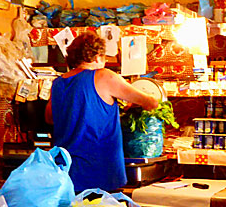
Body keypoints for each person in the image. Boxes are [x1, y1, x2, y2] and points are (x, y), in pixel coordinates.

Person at [47, 31, 159, 192]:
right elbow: (151, 102)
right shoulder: (103, 76)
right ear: (98, 56)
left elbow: (50, 117)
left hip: (65, 171)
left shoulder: (58, 83)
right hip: (99, 171)